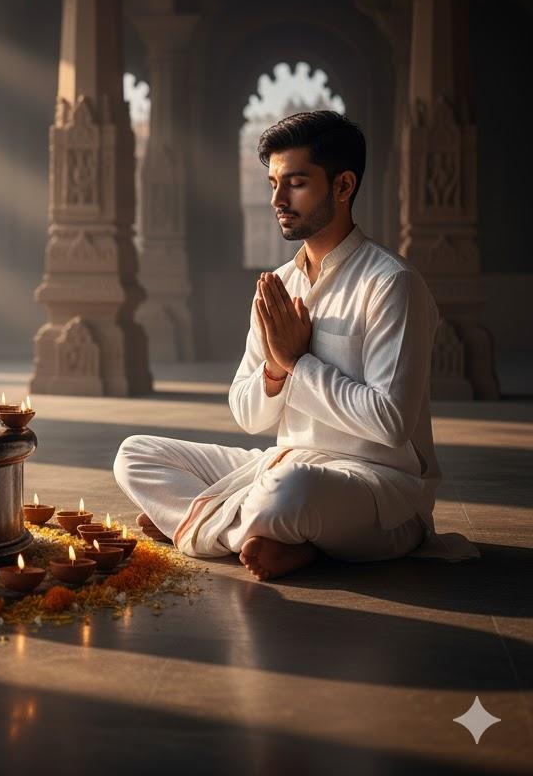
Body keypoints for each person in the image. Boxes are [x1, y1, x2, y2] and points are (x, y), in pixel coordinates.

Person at [114, 110, 479, 580]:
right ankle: (268, 535)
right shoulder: (279, 286)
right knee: (135, 454)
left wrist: (296, 361)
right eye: (273, 183)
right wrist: (274, 372)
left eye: (296, 183)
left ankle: (196, 522)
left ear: (343, 186)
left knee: (288, 491)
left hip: (374, 483)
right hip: (281, 462)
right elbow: (248, 416)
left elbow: (389, 423)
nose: (277, 199)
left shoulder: (392, 283)